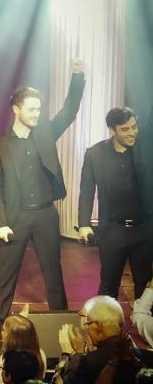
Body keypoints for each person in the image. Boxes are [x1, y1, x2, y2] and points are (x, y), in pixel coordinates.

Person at [0, 61, 86, 332]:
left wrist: (77, 76)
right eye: (31, 109)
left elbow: (69, 111)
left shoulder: (45, 134)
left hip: (45, 214)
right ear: (16, 109)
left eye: (39, 109)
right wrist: (1, 223)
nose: (36, 113)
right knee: (6, 275)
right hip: (15, 217)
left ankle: (63, 326)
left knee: (53, 273)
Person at [77, 106, 152, 298]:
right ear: (112, 130)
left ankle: (143, 319)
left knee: (145, 287)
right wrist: (84, 224)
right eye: (125, 129)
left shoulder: (146, 150)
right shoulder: (95, 154)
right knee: (108, 286)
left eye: (134, 127)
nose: (132, 133)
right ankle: (106, 318)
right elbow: (86, 191)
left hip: (144, 229)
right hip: (112, 231)